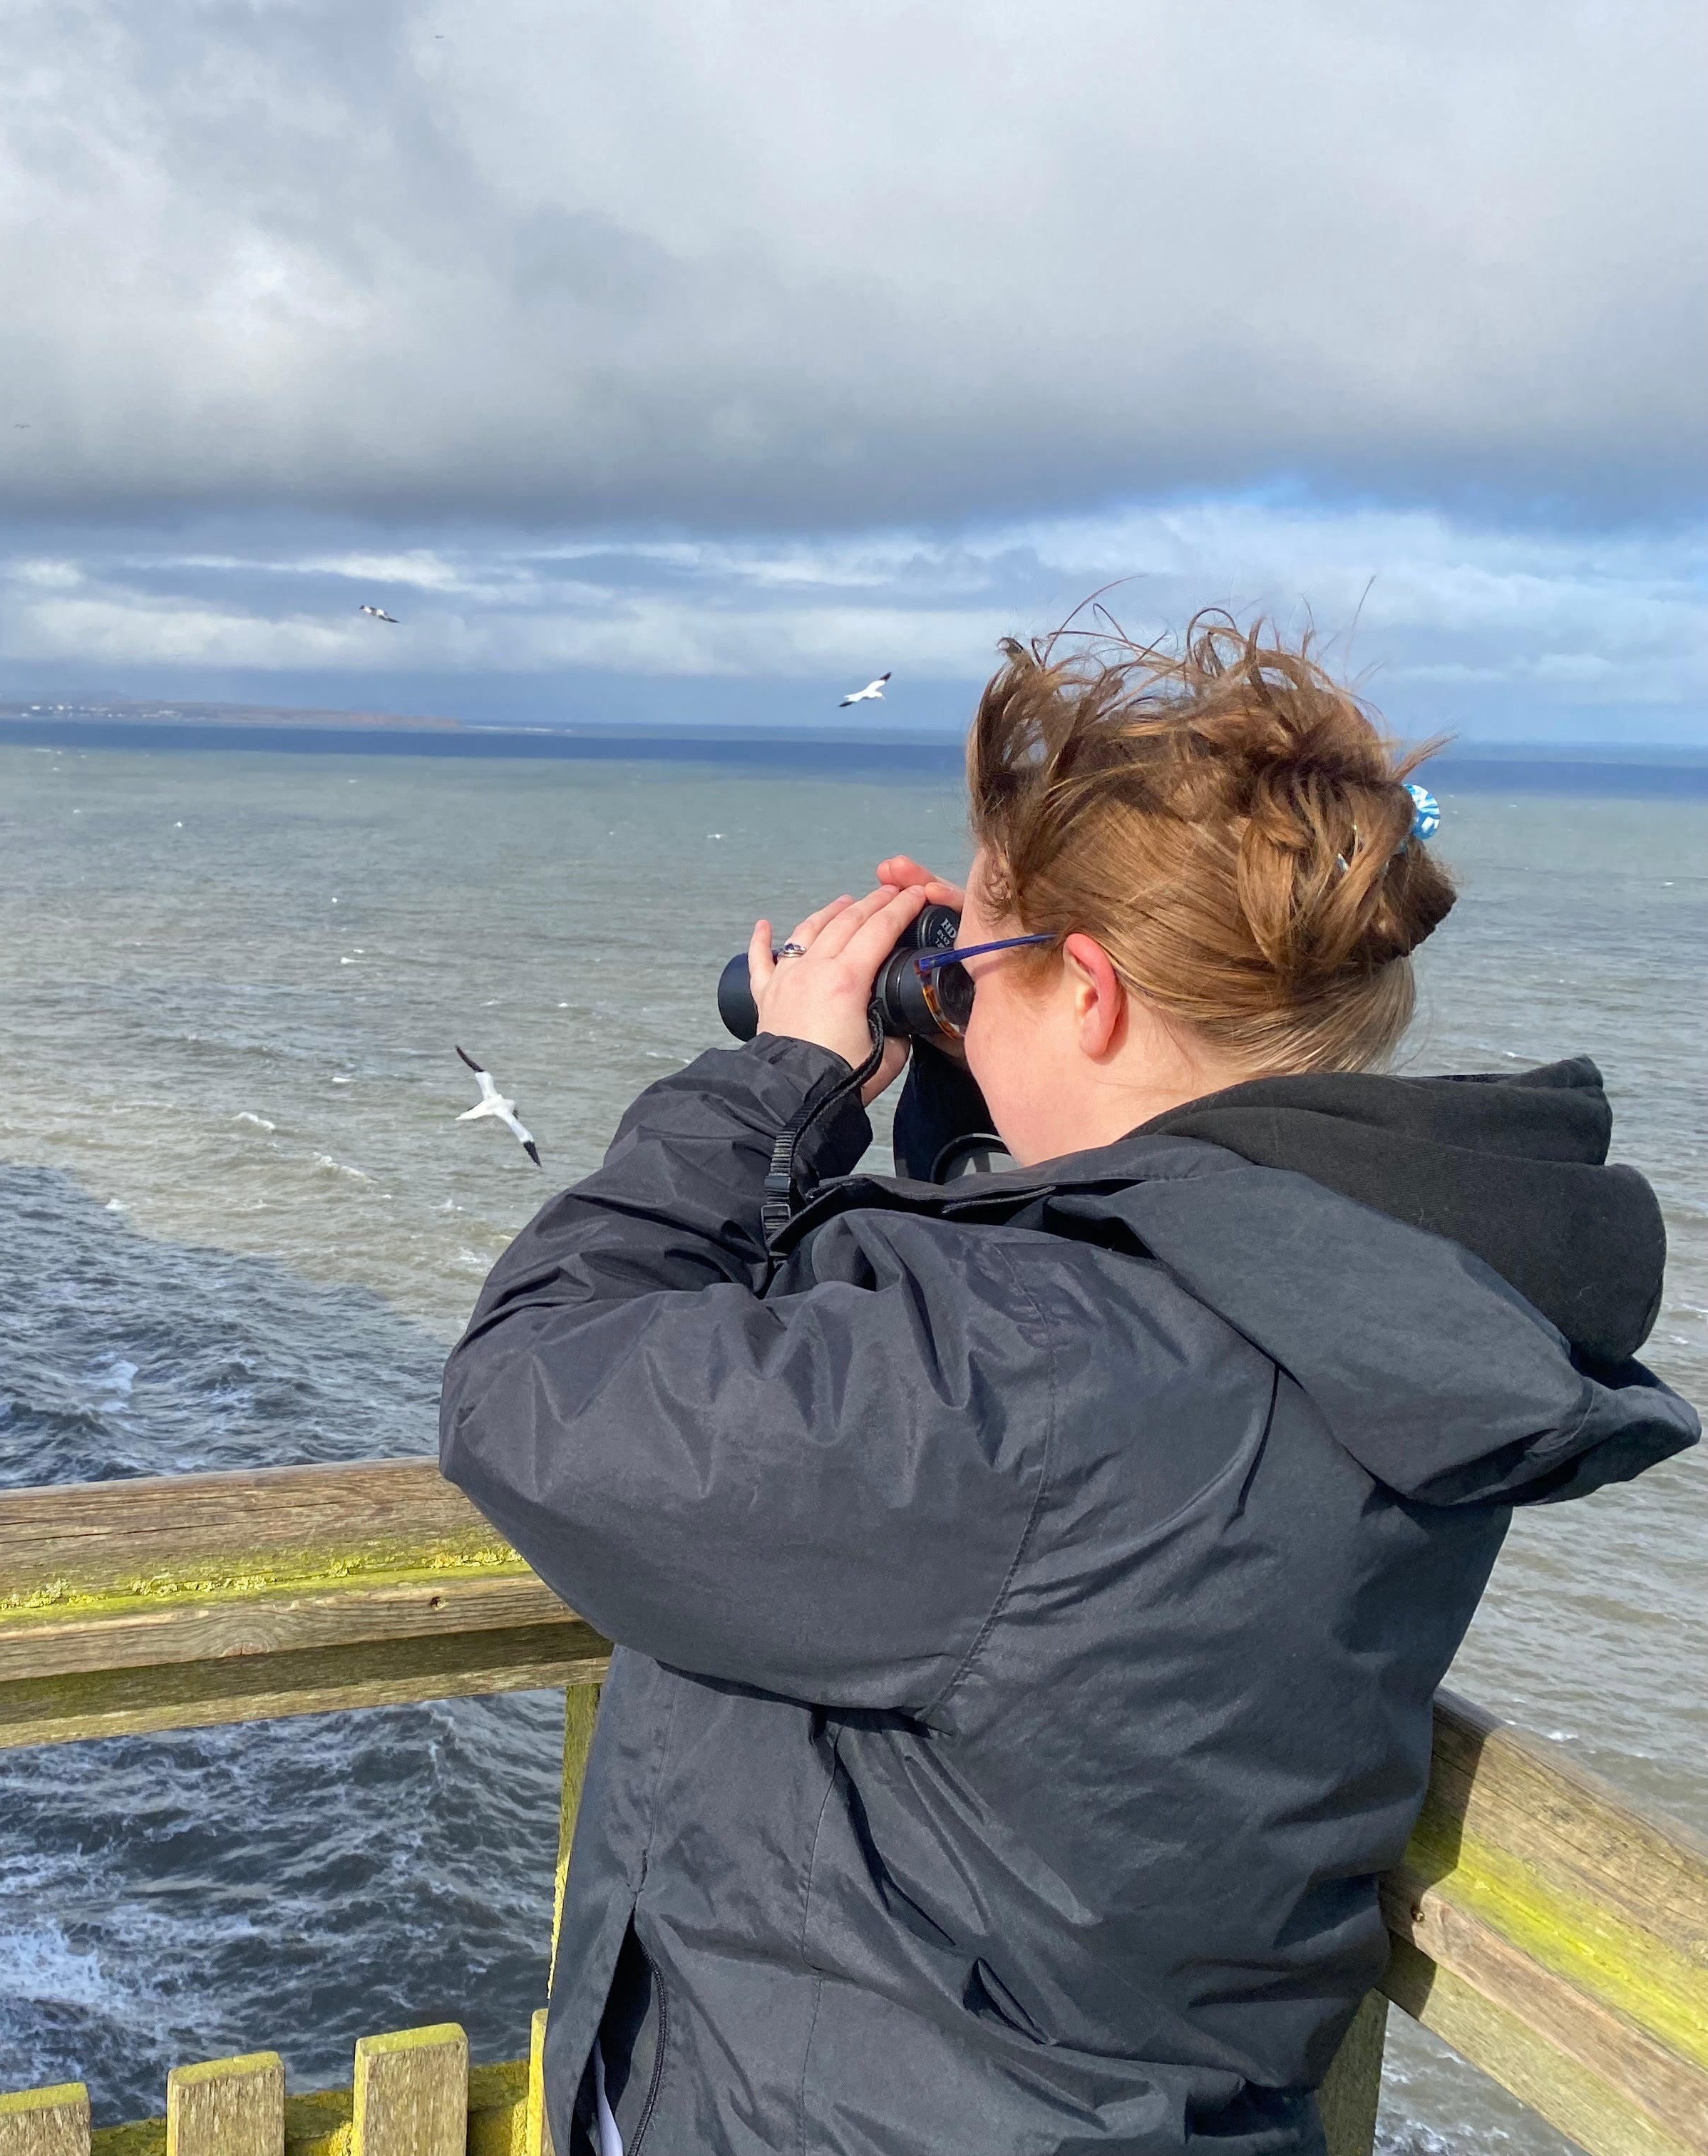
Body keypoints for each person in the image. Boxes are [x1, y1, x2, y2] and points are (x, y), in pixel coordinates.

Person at [439, 618, 1696, 2156]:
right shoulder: (1393, 1294)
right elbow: (1089, 1306)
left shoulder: (1022, 1374)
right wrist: (993, 1023)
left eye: (981, 976)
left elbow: (534, 1387)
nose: (953, 994)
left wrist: (774, 1081)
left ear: (1090, 993)